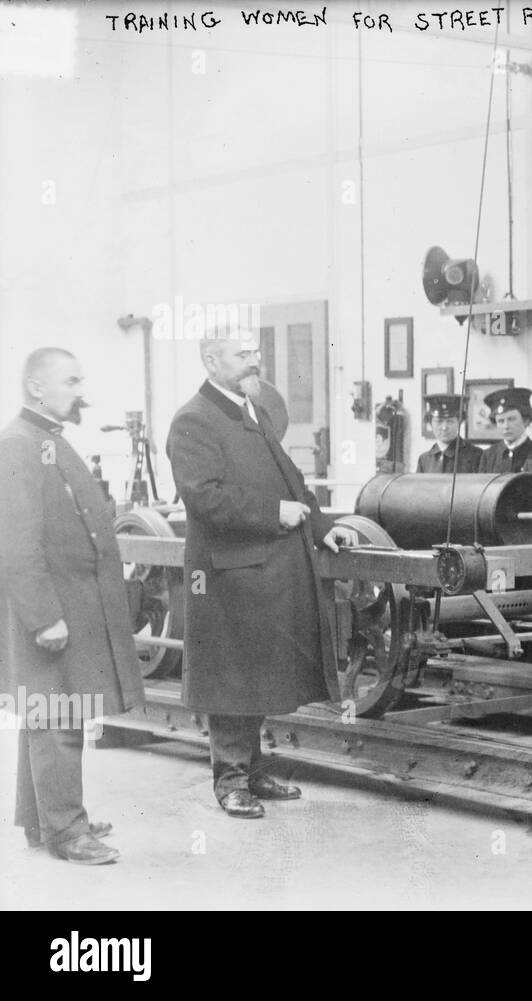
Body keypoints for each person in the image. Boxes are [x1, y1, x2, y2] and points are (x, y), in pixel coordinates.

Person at [167, 330, 357, 819]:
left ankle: (251, 771)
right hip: (228, 576)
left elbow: (291, 481)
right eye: (242, 354)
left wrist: (322, 528)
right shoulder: (193, 419)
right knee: (232, 678)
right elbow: (204, 498)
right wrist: (275, 512)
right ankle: (230, 781)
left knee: (256, 675)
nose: (255, 361)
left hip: (261, 573)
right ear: (211, 361)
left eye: (255, 352)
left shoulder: (252, 410)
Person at [0, 348, 144, 863]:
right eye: (71, 381)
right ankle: (66, 831)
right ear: (37, 387)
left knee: (50, 712)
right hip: (51, 609)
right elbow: (16, 543)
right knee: (56, 714)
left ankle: (42, 820)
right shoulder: (19, 444)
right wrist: (44, 617)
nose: (81, 392)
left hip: (68, 605)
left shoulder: (45, 439)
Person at [480, 387, 532, 473]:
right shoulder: (488, 456)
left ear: (526, 421)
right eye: (501, 421)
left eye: (511, 419)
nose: (506, 426)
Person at [416, 394, 482, 474]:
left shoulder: (476, 456)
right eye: (439, 421)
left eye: (450, 421)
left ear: (459, 422)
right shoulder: (424, 460)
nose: (444, 427)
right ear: (430, 423)